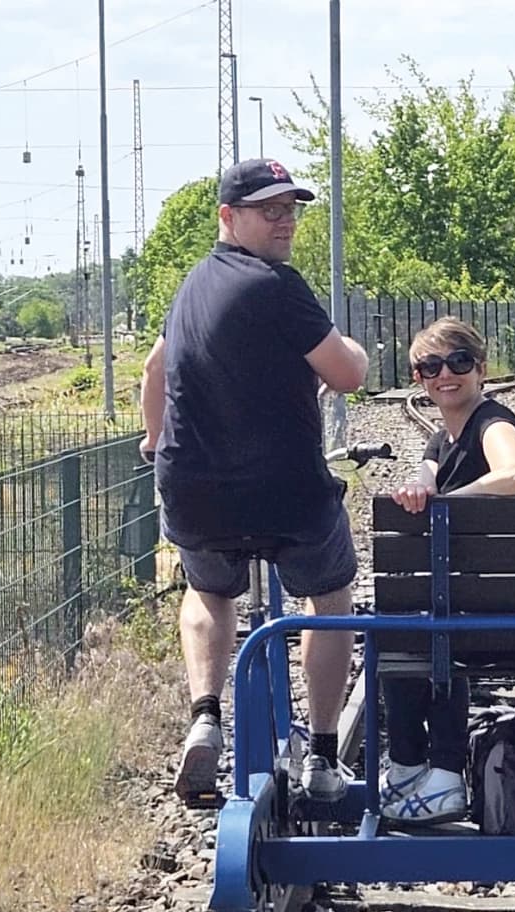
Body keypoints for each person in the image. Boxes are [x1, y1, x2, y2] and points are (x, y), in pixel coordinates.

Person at [139, 158, 369, 805]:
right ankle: (322, 757)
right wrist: (355, 349)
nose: (285, 221)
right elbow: (347, 373)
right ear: (228, 217)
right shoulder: (277, 286)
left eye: (291, 208)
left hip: (196, 494)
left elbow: (155, 371)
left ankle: (206, 715)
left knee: (209, 591)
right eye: (270, 209)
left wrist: (155, 442)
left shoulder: (189, 288)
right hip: (287, 497)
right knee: (330, 599)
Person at [381, 316, 515, 825]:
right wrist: (418, 490)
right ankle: (411, 767)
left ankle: (441, 772)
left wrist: (449, 502)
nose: (444, 374)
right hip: (483, 599)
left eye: (458, 362)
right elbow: (423, 477)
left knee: (426, 630)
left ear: (481, 369)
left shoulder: (492, 422)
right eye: (430, 366)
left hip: (510, 604)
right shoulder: (441, 440)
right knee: (406, 625)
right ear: (418, 378)